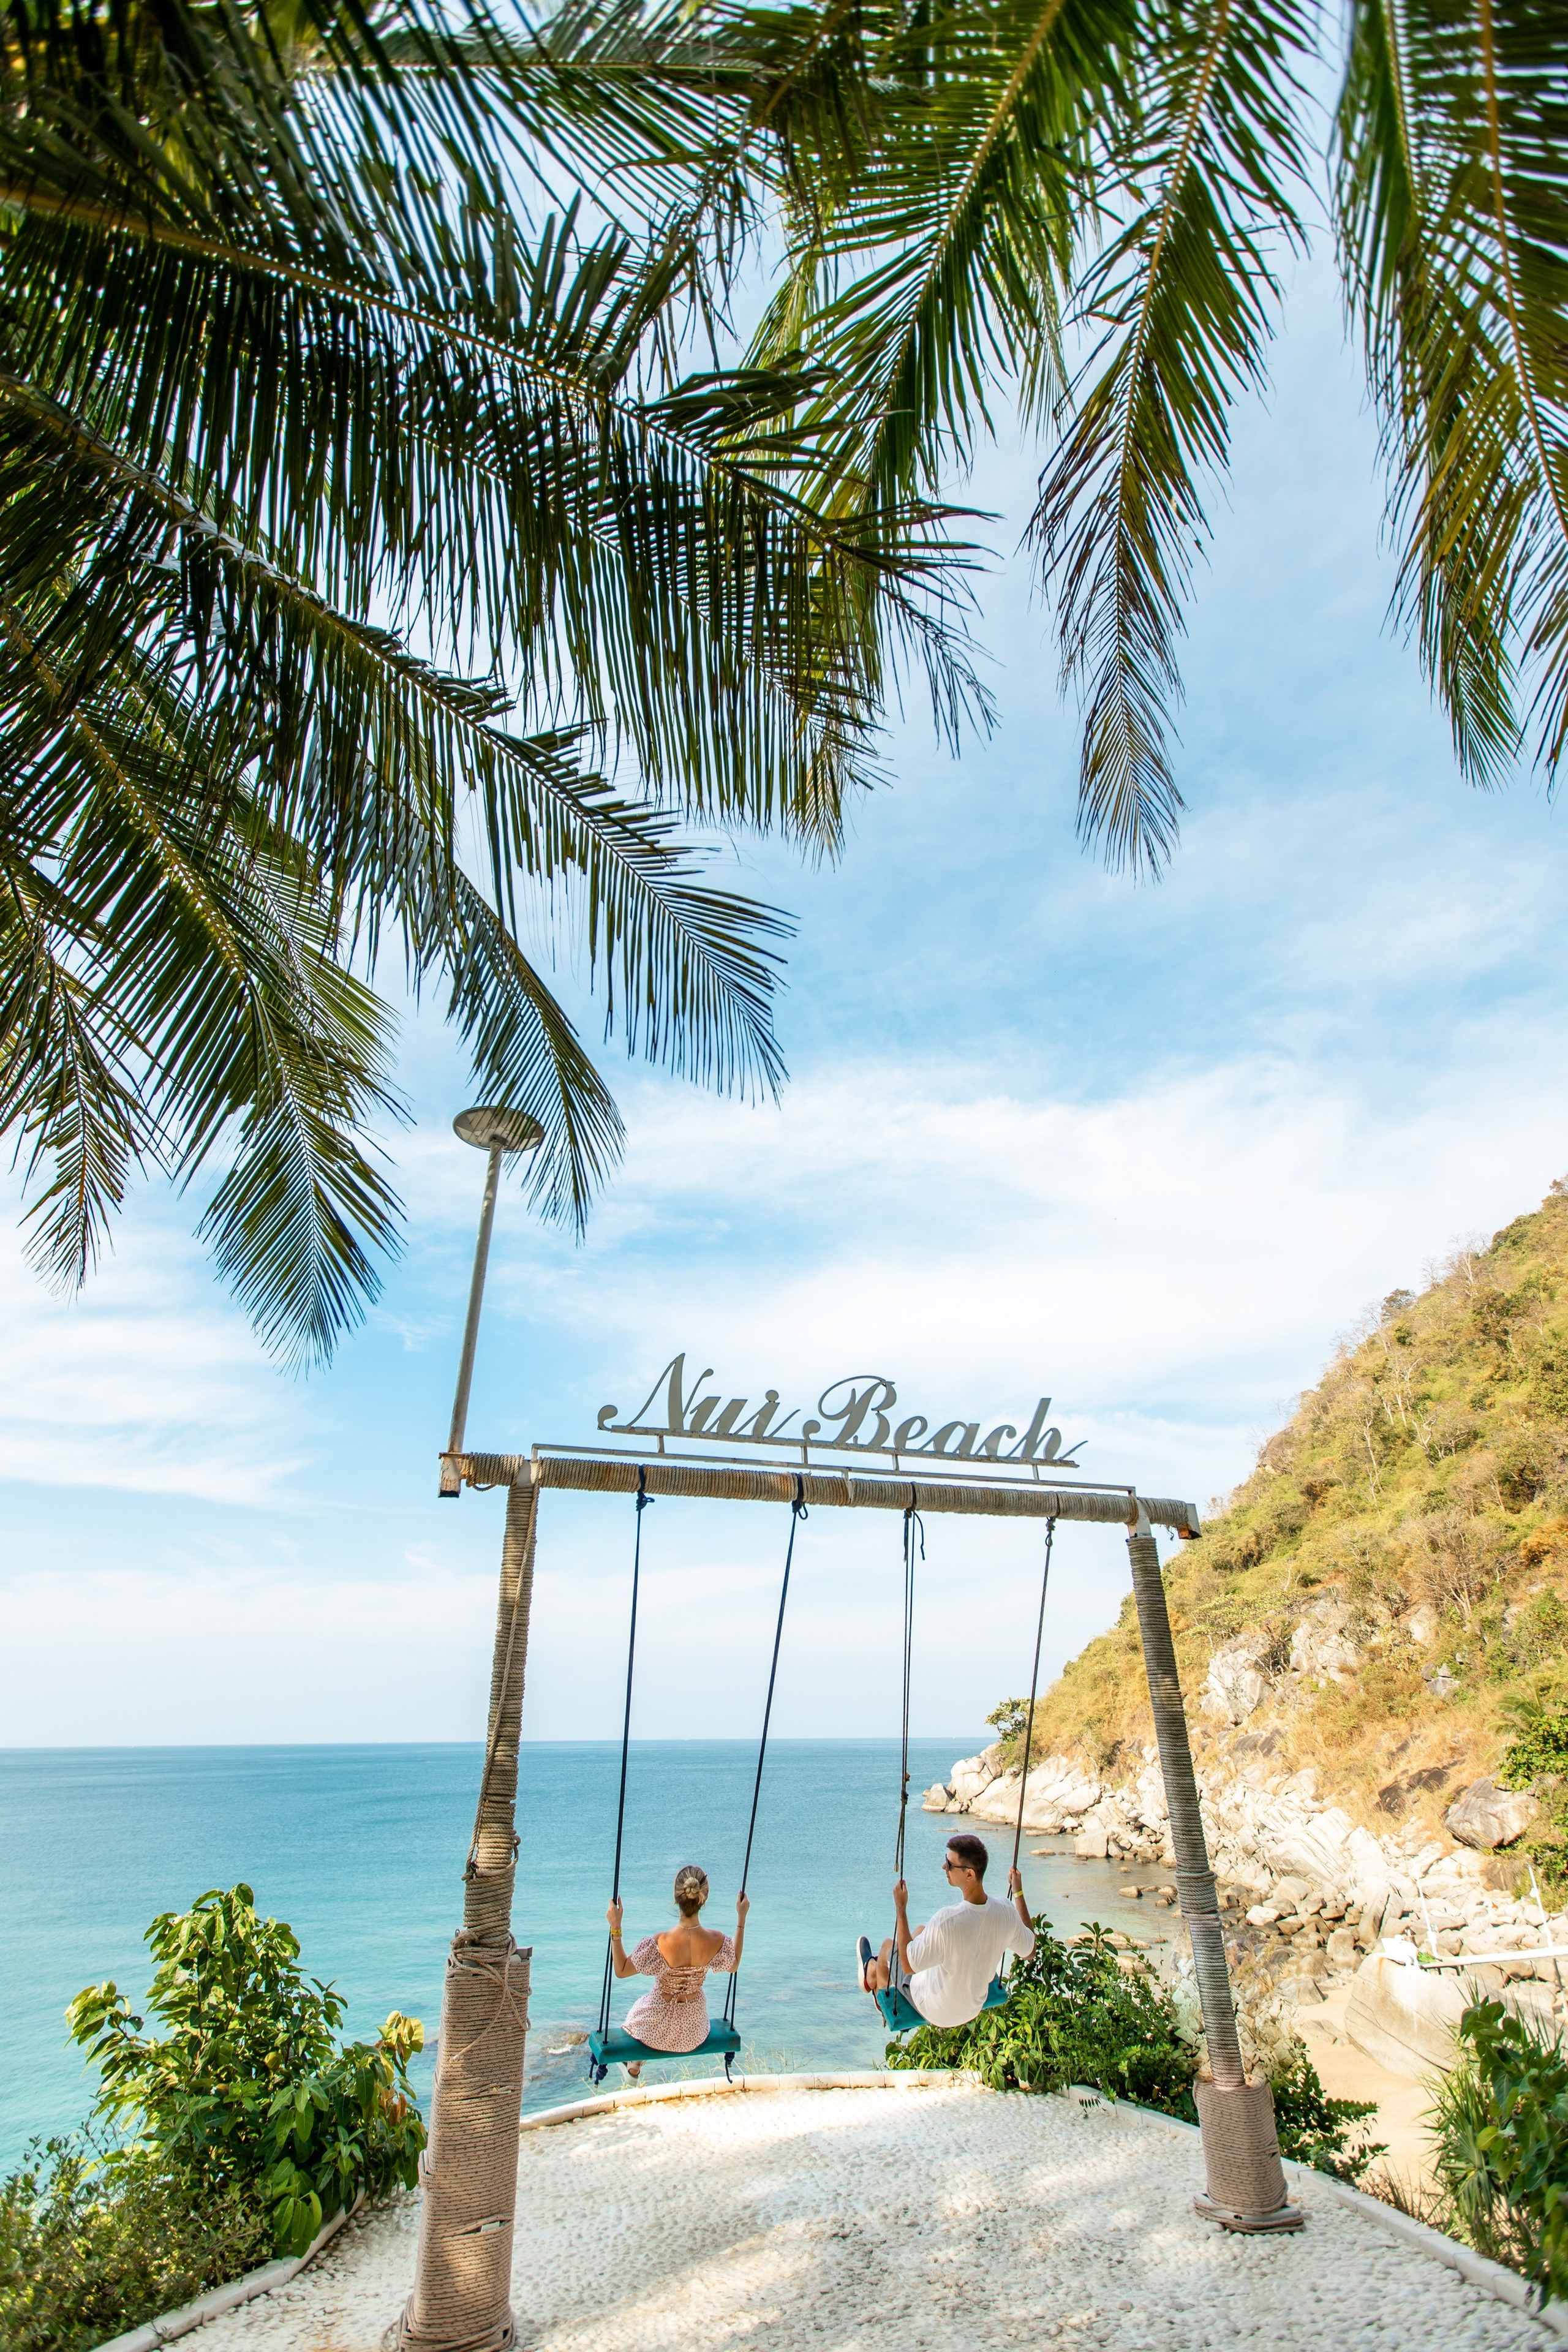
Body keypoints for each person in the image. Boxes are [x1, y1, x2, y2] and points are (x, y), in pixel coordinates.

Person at [856, 1833, 1035, 2026]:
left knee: (887, 1948)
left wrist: (901, 1908)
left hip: (936, 2009)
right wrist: (1018, 1892)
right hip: (972, 2008)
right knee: (922, 1930)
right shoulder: (1006, 1911)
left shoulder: (947, 1921)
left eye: (949, 1864)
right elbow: (1030, 1951)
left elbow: (907, 1965)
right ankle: (872, 1973)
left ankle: (880, 1996)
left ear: (969, 1874)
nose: (944, 1867)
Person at [605, 1864, 750, 2078]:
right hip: (694, 2032)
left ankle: (635, 2063)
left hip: (653, 2030)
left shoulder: (659, 1942)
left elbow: (621, 1970)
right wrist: (741, 1918)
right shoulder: (716, 1940)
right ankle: (635, 2062)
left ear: (676, 1898)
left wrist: (615, 1927)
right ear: (704, 1898)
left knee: (640, 2007)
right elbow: (734, 1963)